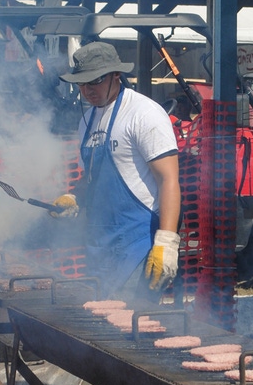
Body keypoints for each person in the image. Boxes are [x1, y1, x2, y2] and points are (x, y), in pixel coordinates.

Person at [53, 42, 181, 301]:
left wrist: (166, 243)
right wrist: (74, 197)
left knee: (130, 327)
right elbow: (92, 177)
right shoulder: (86, 121)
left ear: (116, 75)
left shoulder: (144, 114)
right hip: (100, 247)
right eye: (81, 83)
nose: (87, 90)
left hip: (137, 245)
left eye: (95, 81)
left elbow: (169, 180)